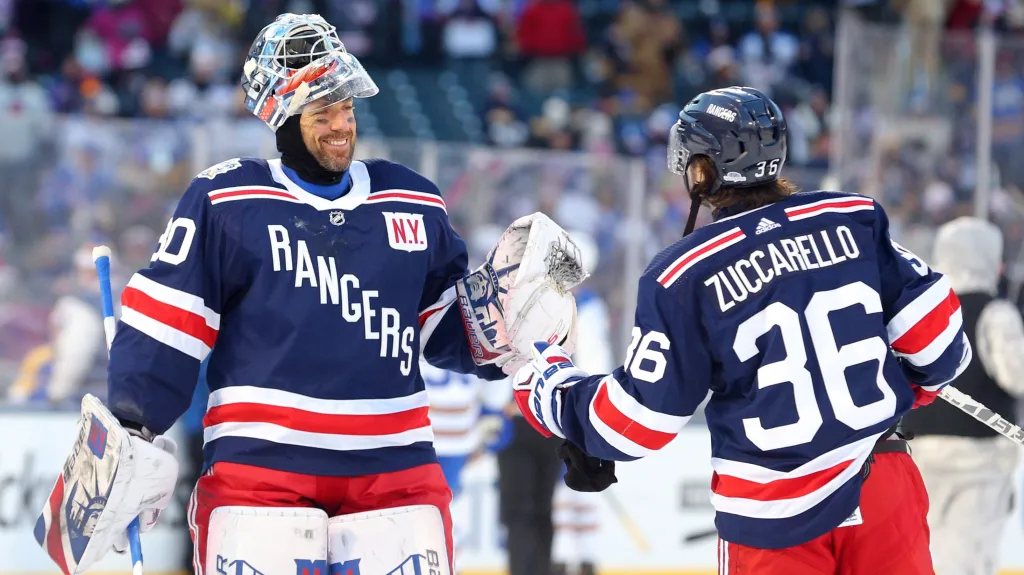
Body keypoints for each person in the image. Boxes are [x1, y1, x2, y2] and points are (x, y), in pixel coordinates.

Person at [38, 13, 580, 575]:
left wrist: (510, 324)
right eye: (323, 112)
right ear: (282, 115)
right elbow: (168, 323)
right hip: (261, 468)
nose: (342, 124)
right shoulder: (227, 200)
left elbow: (444, 327)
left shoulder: (413, 201)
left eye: (346, 107)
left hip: (394, 465)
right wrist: (132, 425)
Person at [511, 86, 971, 574]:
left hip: (774, 509)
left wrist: (546, 384)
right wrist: (902, 386)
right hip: (883, 485)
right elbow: (942, 346)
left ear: (701, 168)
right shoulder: (854, 218)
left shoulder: (683, 273)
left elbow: (638, 423)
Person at [902, 216, 1024, 575]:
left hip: (919, 449)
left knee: (923, 547)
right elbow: (1015, 375)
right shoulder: (995, 313)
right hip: (980, 456)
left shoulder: (919, 313)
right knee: (968, 555)